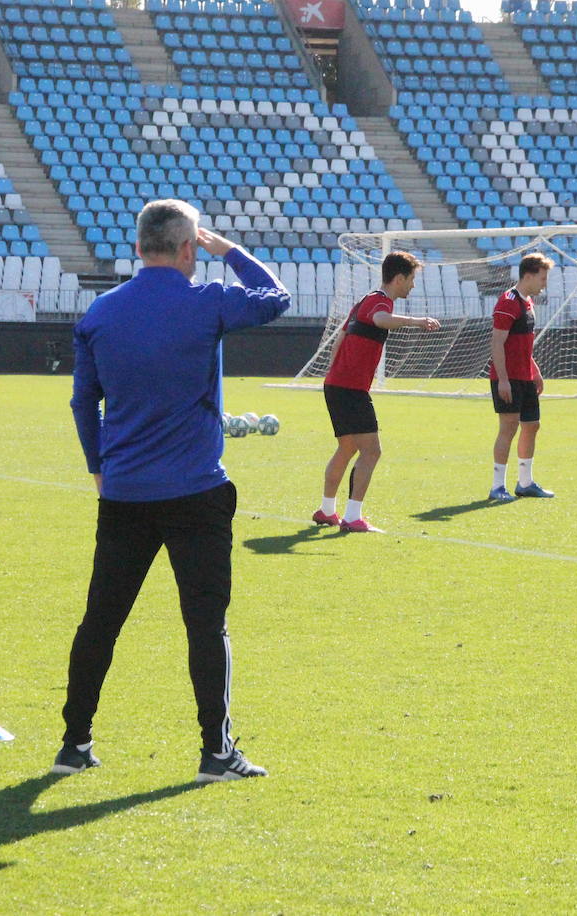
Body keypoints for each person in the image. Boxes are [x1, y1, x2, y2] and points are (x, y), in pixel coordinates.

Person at [58, 200, 290, 782]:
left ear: (139, 248)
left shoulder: (100, 313)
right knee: (206, 624)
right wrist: (229, 252)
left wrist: (98, 466)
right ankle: (216, 752)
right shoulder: (205, 300)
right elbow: (277, 298)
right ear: (188, 248)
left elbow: (83, 402)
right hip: (195, 491)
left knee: (101, 621)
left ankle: (74, 743)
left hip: (125, 493)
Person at [313, 251, 441, 533]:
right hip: (349, 389)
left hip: (337, 385)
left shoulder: (362, 301)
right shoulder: (378, 301)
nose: (412, 286)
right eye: (411, 280)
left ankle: (326, 510)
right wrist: (417, 321)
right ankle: (353, 517)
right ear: (398, 278)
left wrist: (334, 375)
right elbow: (382, 319)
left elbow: (341, 339)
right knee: (371, 452)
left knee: (347, 448)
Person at [488, 253, 554, 501]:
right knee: (508, 428)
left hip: (525, 378)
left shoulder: (528, 302)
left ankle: (525, 483)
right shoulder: (507, 301)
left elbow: (523, 346)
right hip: (509, 378)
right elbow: (497, 343)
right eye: (542, 278)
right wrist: (503, 380)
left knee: (532, 426)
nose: (544, 284)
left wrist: (534, 371)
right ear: (528, 275)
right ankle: (497, 487)